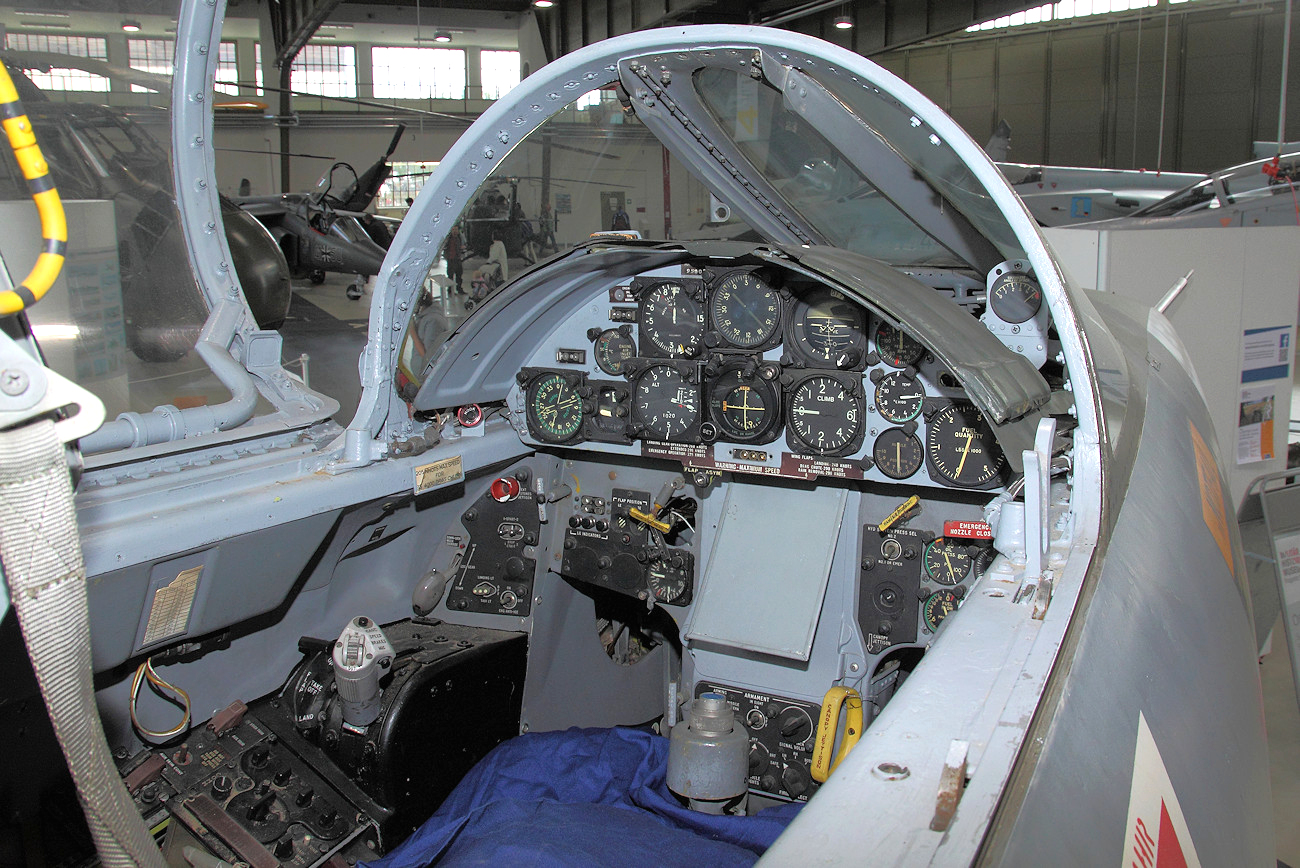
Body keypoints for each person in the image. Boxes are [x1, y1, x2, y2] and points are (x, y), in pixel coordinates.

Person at [442, 224, 465, 294]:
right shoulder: (448, 239)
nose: (455, 231)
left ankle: (459, 289)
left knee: (459, 275)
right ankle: (450, 290)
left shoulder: (460, 238)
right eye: (453, 230)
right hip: (451, 259)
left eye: (456, 230)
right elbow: (444, 247)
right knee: (450, 275)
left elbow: (462, 246)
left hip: (457, 259)